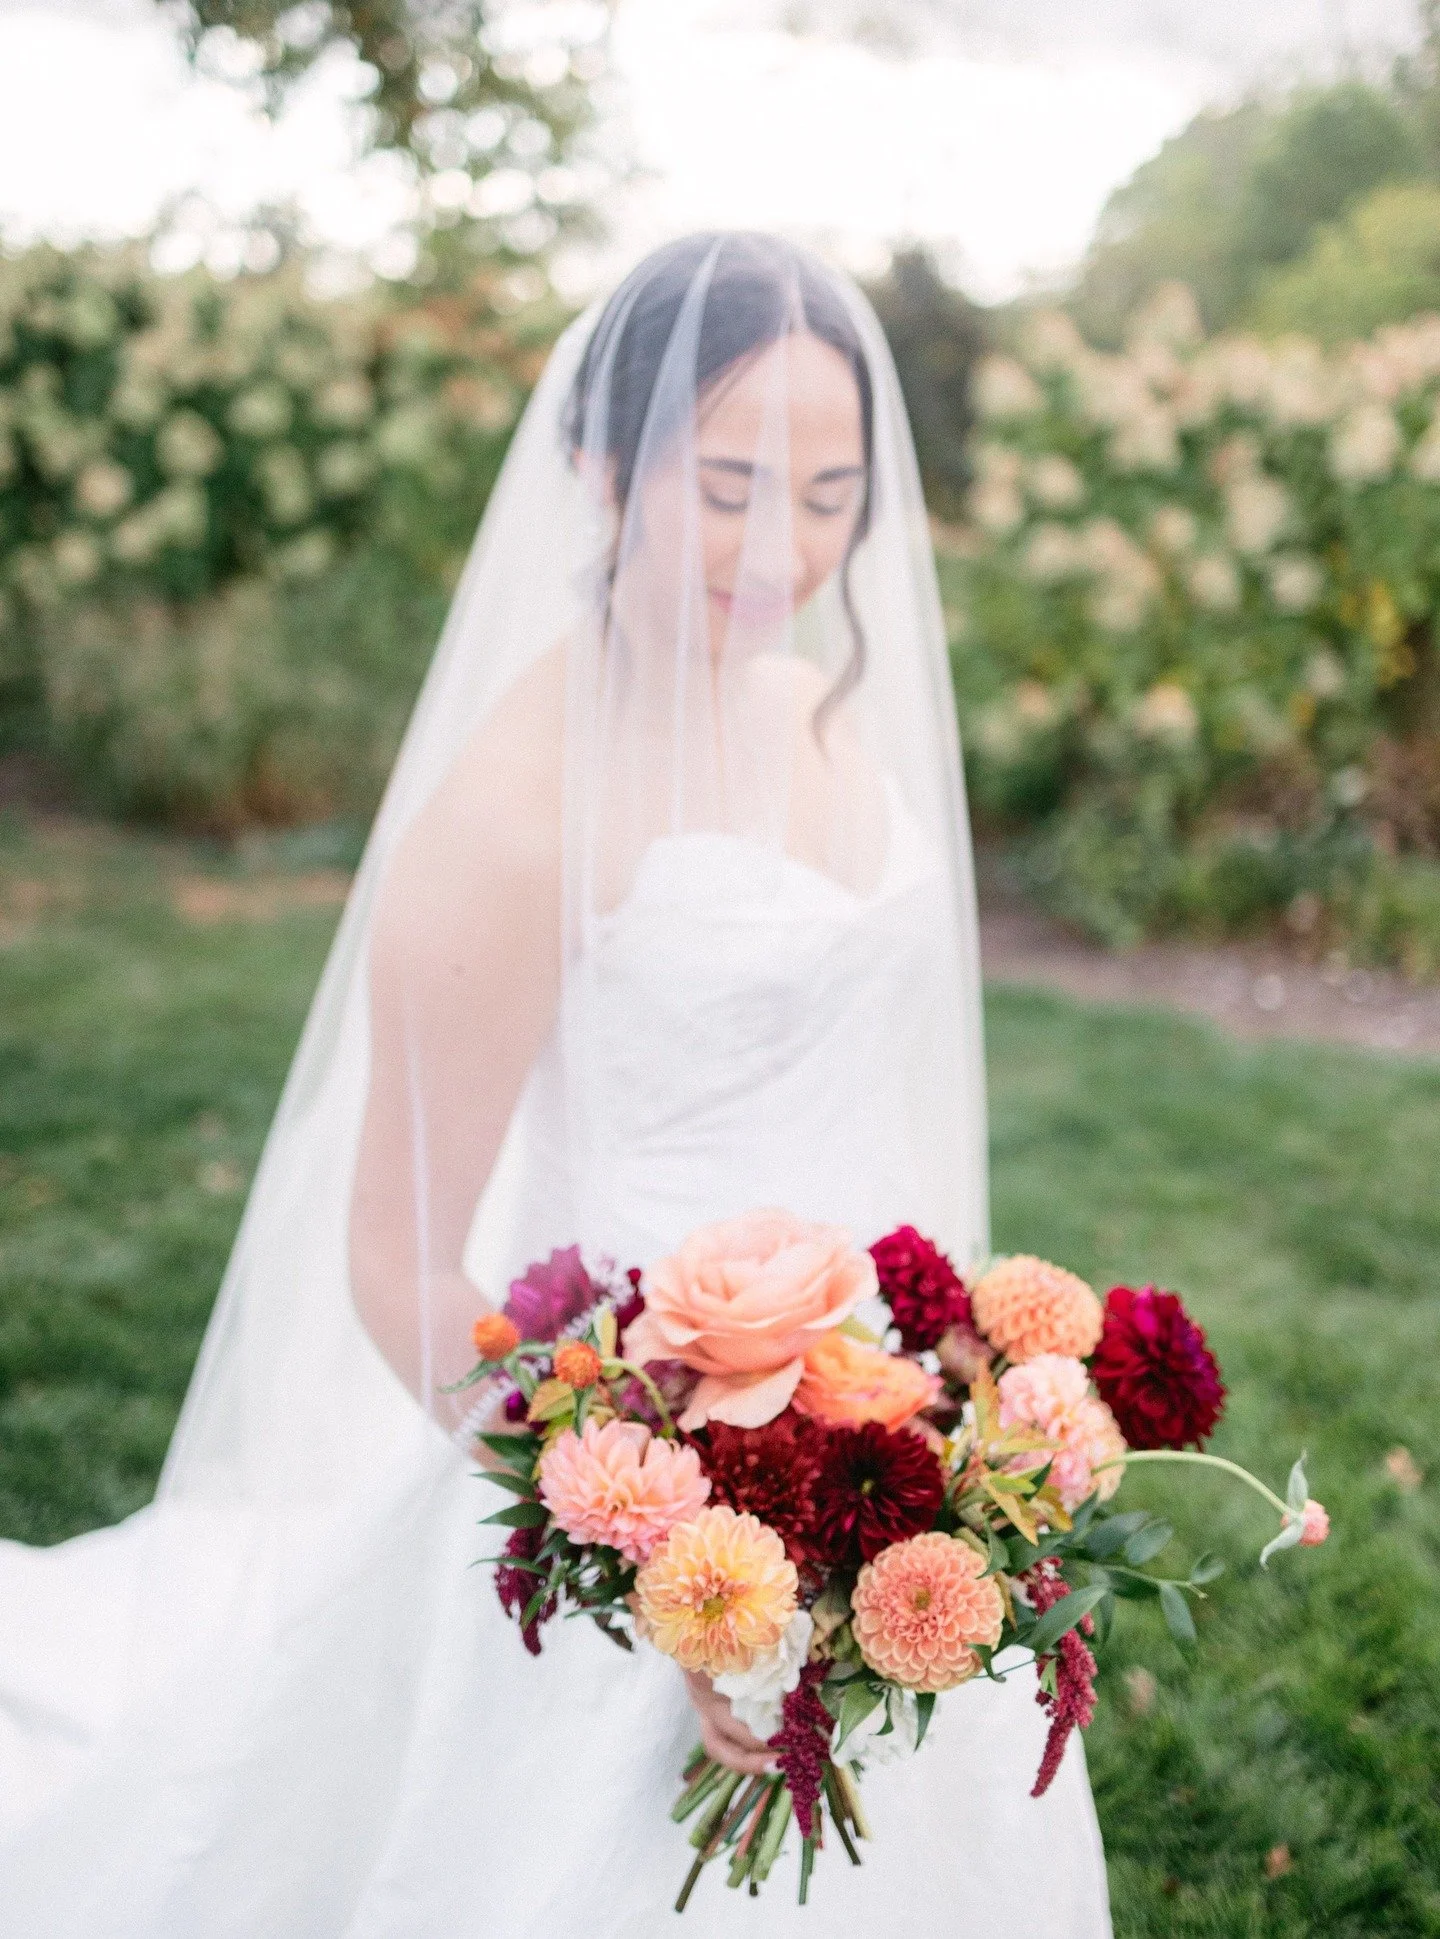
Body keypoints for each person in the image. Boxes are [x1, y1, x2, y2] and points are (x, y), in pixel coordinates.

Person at [0, 232, 1112, 1935]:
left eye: (830, 496)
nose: (782, 551)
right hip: (631, 1463)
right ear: (601, 467)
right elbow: (398, 1261)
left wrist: (944, 1396)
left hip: (882, 1438)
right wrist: (658, 1560)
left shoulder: (819, 708)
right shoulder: (518, 815)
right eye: (728, 486)